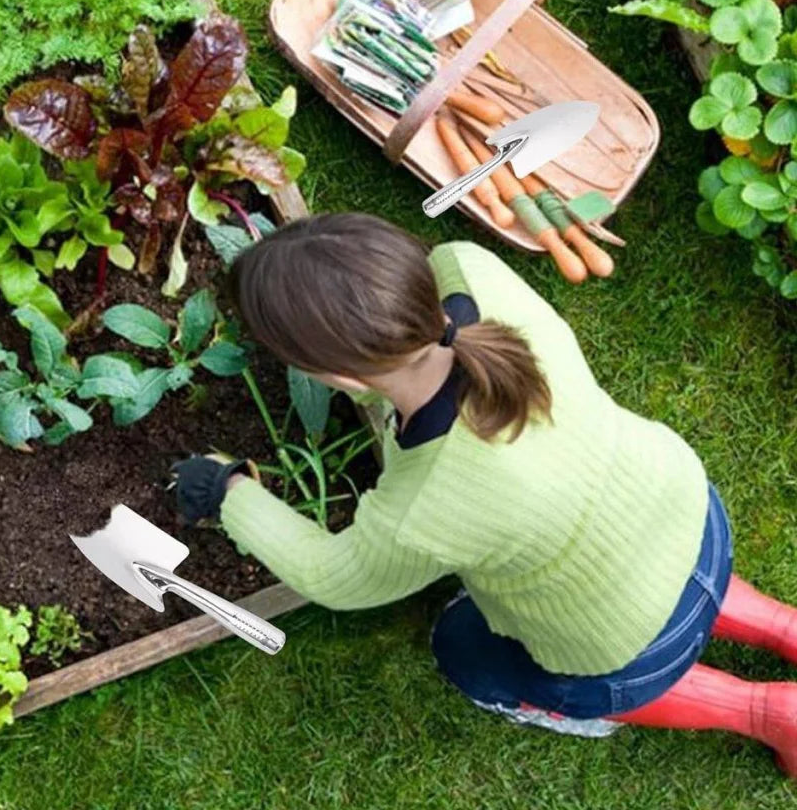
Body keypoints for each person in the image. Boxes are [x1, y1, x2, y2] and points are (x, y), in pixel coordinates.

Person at [174, 212, 797, 774]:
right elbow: (435, 275)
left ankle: (767, 712)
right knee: (652, 571)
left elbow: (333, 575)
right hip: (689, 512)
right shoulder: (474, 270)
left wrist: (229, 491)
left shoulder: (427, 504)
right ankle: (784, 626)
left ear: (340, 378)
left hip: (622, 644)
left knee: (463, 650)